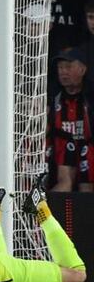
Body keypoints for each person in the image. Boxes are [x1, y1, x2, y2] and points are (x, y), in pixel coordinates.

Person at [46, 47, 94, 192]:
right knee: (65, 183)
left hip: (89, 152)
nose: (63, 72)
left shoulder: (91, 98)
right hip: (60, 156)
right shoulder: (52, 98)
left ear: (82, 69)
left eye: (68, 66)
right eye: (60, 67)